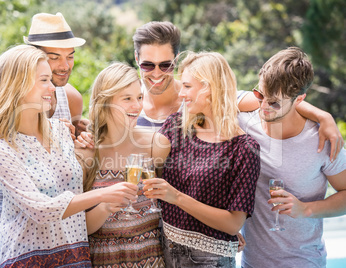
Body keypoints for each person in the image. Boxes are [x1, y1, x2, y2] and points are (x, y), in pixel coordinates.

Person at [77, 21, 344, 162]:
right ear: (136, 58)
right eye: (147, 64)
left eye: (166, 65)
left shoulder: (202, 98)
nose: (156, 73)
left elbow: (273, 99)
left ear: (176, 59)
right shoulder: (127, 108)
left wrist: (323, 117)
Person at [0, 12, 89, 268]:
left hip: (57, 239)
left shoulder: (72, 98)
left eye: (70, 56)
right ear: (33, 56)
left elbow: (73, 168)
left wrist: (87, 140)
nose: (65, 65)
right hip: (1, 237)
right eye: (54, 57)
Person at [0, 44, 137, 267]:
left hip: (75, 259)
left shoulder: (62, 131)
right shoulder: (1, 148)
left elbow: (70, 189)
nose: (52, 88)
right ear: (17, 86)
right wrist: (104, 195)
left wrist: (89, 153)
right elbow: (42, 210)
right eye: (44, 80)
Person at [142, 51, 261, 268]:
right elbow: (146, 163)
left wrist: (176, 197)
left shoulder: (244, 148)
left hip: (209, 259)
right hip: (164, 250)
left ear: (209, 88)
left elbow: (234, 224)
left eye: (187, 86)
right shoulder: (176, 127)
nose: (181, 94)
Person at [238, 47, 346, 268]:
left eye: (274, 102)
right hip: (251, 262)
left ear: (300, 99)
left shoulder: (322, 141)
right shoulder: (245, 120)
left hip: (304, 262)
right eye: (260, 95)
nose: (263, 107)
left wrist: (306, 209)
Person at [77, 62, 170, 267]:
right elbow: (76, 226)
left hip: (151, 258)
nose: (136, 106)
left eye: (139, 97)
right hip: (103, 259)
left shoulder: (156, 144)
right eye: (127, 99)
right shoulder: (86, 151)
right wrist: (106, 206)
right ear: (105, 102)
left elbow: (171, 204)